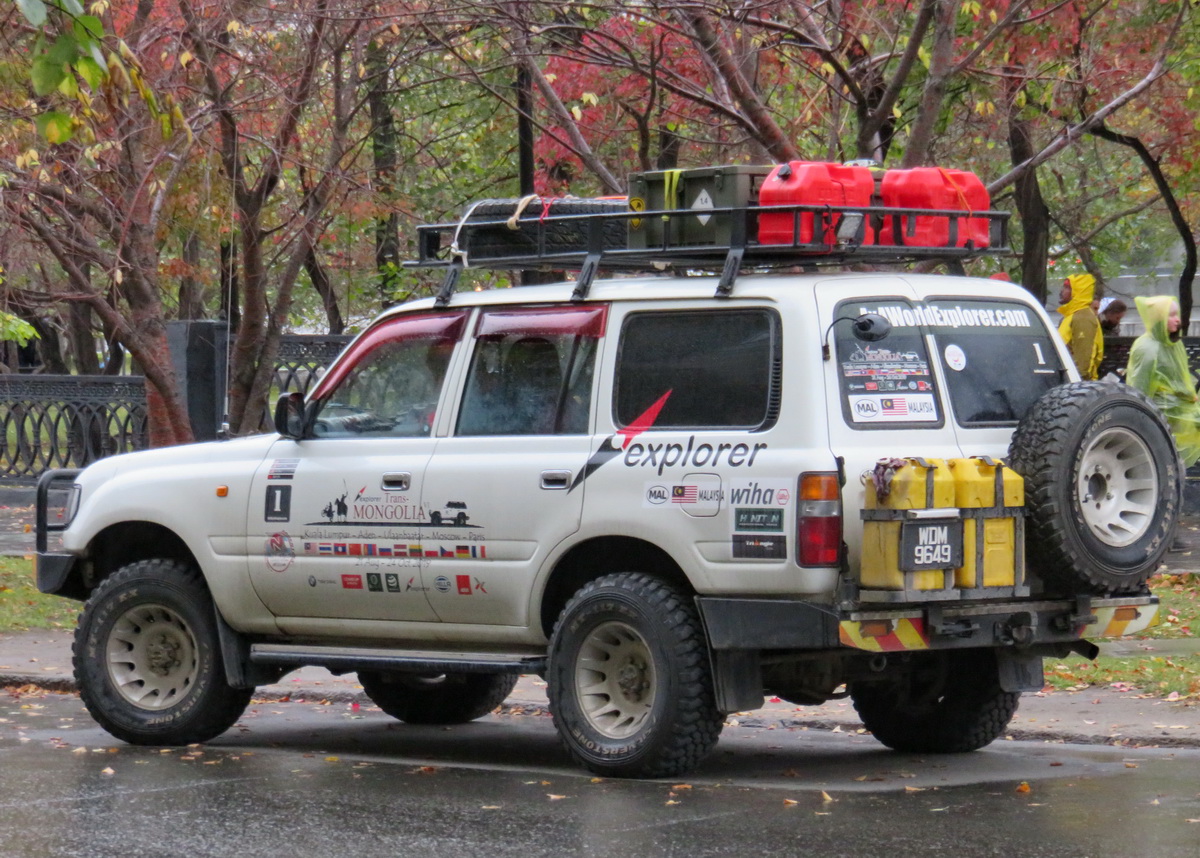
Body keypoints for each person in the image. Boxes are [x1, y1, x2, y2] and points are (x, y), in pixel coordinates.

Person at [1126, 296, 1200, 466]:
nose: (1177, 320)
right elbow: (1140, 389)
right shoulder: (1148, 348)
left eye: (1177, 314)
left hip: (1178, 412)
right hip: (1161, 415)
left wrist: (1188, 396)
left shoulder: (1172, 343)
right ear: (1158, 318)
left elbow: (1179, 378)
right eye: (1171, 315)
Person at [1056, 274, 1103, 380]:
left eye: (1067, 287)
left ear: (1078, 292)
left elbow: (1084, 360)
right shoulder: (1072, 316)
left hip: (1078, 386)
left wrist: (1078, 384)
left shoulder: (1083, 318)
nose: (1062, 291)